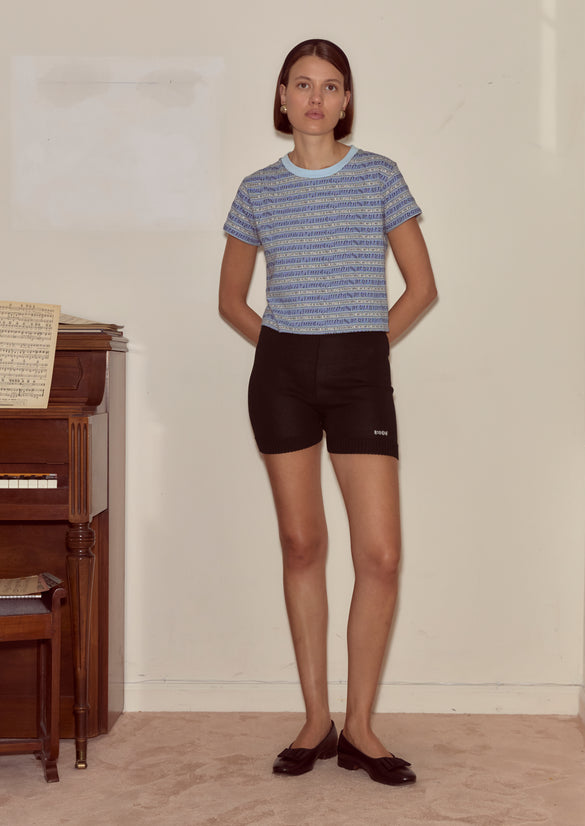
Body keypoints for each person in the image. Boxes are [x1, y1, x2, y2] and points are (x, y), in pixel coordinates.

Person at [218, 38, 437, 786]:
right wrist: (283, 349)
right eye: (302, 84)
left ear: (347, 101)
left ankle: (362, 727)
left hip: (359, 374)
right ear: (282, 98)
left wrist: (365, 347)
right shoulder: (257, 189)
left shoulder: (380, 176)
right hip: (280, 374)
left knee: (380, 554)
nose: (317, 97)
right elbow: (230, 299)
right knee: (302, 545)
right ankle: (317, 720)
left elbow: (420, 286)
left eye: (332, 85)